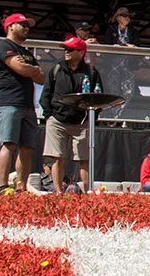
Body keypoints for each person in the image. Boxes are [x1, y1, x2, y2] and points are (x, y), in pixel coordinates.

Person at [38, 36, 105, 194]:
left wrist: (91, 118)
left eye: (70, 49)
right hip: (57, 120)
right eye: (65, 49)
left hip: (80, 122)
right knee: (57, 157)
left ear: (81, 52)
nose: (66, 52)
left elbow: (98, 96)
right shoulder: (57, 69)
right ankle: (57, 191)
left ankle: (88, 192)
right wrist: (49, 115)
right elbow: (46, 94)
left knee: (84, 159)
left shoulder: (91, 72)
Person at [0, 13, 46, 195]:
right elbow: (20, 68)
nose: (26, 28)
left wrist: (31, 69)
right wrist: (31, 70)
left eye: (27, 25)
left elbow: (41, 78)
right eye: (22, 24)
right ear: (10, 26)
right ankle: (3, 187)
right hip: (8, 103)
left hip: (27, 105)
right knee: (9, 144)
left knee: (27, 148)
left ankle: (21, 187)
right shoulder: (3, 46)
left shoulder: (26, 53)